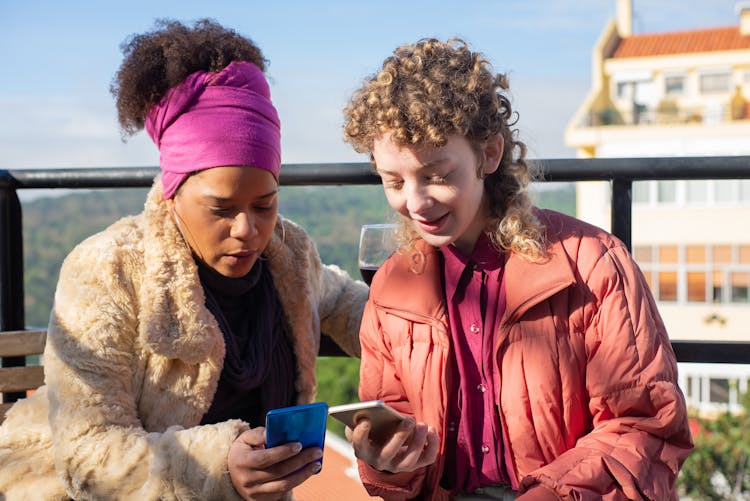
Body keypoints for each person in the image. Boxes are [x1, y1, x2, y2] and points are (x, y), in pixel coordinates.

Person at [0, 19, 368, 500]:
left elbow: (344, 299)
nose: (248, 230)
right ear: (173, 193)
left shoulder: (289, 256)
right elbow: (89, 453)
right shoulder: (107, 270)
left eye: (265, 203)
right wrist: (216, 468)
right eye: (221, 208)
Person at [342, 38, 693, 501]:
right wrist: (386, 465)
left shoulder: (593, 266)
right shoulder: (391, 287)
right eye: (394, 181)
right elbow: (394, 439)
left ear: (489, 154)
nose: (415, 202)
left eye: (436, 175)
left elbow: (645, 427)